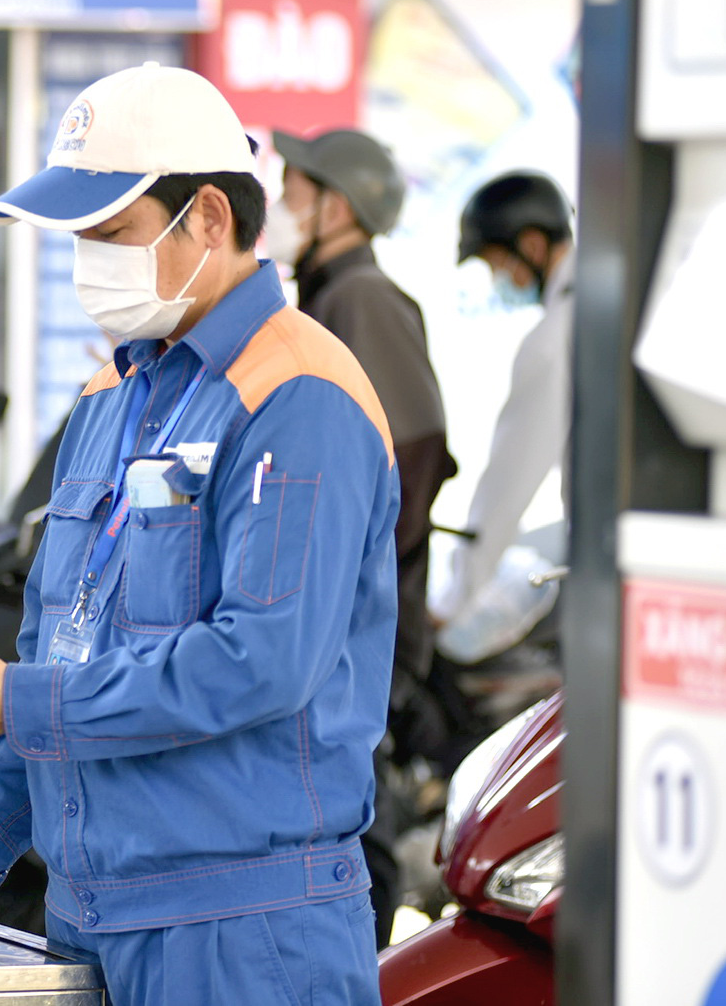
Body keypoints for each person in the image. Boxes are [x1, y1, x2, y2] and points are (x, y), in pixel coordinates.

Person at [0, 63, 398, 1006]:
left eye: (109, 232)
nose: (85, 261)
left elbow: (260, 661)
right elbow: (61, 647)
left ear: (208, 217)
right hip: (89, 921)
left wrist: (16, 703)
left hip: (246, 933)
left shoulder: (299, 396)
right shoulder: (111, 395)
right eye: (78, 237)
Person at [264, 128, 455, 944]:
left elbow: (412, 458)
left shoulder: (360, 300)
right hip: (338, 627)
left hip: (360, 636)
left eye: (297, 188)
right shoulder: (327, 293)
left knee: (355, 839)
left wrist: (343, 568)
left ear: (336, 205)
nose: (281, 204)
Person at [432, 170, 575, 658]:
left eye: (498, 264)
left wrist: (456, 601)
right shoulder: (599, 311)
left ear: (531, 246)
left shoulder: (556, 340)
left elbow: (506, 489)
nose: (500, 280)